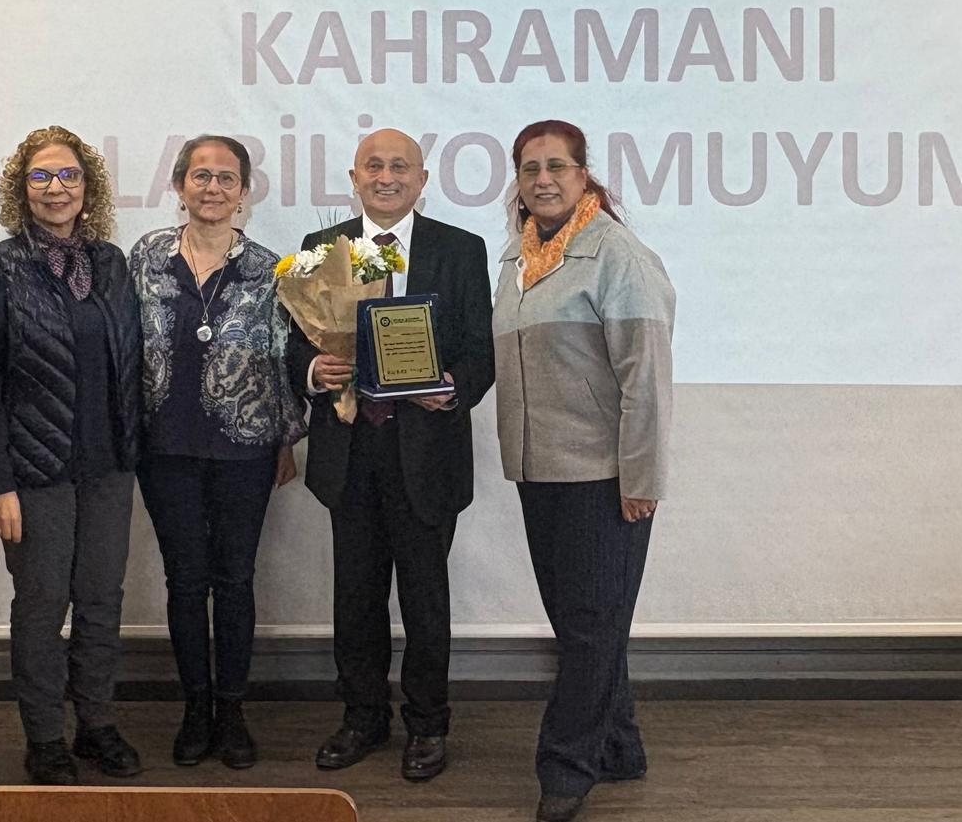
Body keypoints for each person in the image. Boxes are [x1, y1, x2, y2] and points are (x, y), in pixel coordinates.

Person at [286, 128, 493, 783]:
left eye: (399, 166)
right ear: (354, 177)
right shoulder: (321, 247)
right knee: (355, 596)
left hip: (426, 451)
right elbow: (294, 343)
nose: (386, 176)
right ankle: (362, 715)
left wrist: (452, 387)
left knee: (426, 600)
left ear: (421, 179)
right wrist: (314, 368)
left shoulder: (461, 248)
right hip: (350, 450)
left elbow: (481, 349)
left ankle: (428, 723)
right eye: (373, 165)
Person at [493, 120, 675, 822]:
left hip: (603, 477)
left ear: (583, 174)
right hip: (539, 470)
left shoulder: (616, 255)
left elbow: (646, 379)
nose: (543, 179)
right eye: (530, 168)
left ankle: (565, 768)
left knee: (591, 626)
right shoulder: (518, 259)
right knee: (586, 625)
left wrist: (641, 479)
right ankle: (619, 747)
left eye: (557, 166)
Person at [0, 126, 144, 786]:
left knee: (100, 600)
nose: (56, 188)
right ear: (22, 188)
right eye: (41, 176)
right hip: (34, 475)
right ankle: (44, 738)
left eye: (68, 175)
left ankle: (96, 724)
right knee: (42, 606)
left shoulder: (111, 263)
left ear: (87, 186)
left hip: (109, 468)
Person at [128, 134, 306, 769]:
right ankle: (194, 708)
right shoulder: (145, 258)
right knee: (184, 581)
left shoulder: (271, 269)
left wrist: (286, 436)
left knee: (234, 580)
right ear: (179, 186)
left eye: (226, 177)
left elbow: (283, 359)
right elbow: (124, 348)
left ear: (243, 192)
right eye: (200, 175)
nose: (212, 187)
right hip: (165, 447)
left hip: (245, 449)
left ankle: (231, 712)